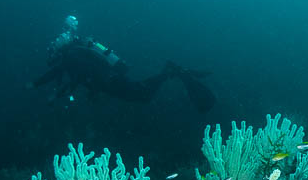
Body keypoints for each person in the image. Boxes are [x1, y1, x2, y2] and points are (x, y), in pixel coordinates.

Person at [32, 16, 216, 112]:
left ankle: (168, 70)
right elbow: (68, 74)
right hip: (109, 79)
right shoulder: (74, 54)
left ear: (59, 49)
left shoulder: (71, 56)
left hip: (109, 80)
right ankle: (168, 71)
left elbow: (74, 76)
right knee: (141, 93)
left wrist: (54, 93)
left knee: (142, 95)